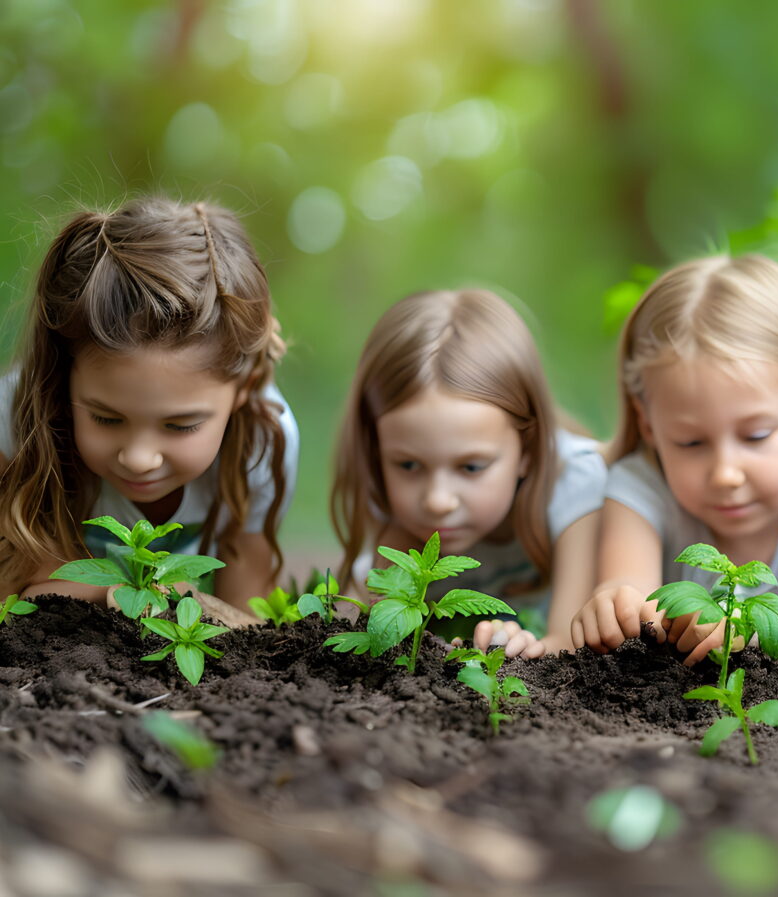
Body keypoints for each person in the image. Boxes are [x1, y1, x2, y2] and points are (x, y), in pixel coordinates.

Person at [571, 254, 778, 665]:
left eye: (756, 435)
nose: (725, 474)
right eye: (690, 442)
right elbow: (629, 589)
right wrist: (617, 604)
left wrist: (740, 632)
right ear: (648, 423)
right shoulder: (639, 488)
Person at [0, 197, 296, 622]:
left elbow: (245, 611)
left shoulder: (265, 439)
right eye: (105, 418)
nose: (139, 458)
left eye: (180, 425)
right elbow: (18, 589)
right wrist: (135, 590)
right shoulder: (16, 418)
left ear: (245, 388)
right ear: (62, 379)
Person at [331, 289, 605, 658]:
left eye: (471, 467)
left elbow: (569, 642)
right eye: (408, 465)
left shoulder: (574, 485)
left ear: (528, 447)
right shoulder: (391, 502)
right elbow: (352, 624)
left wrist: (527, 649)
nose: (437, 500)